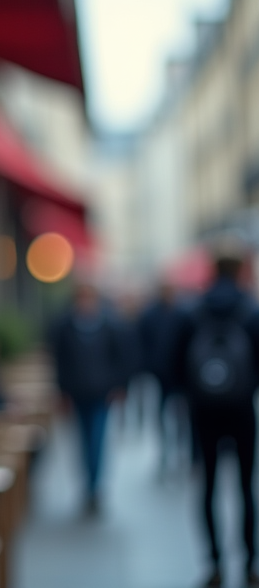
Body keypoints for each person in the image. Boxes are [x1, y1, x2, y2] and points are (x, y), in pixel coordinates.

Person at [173, 252, 259, 588]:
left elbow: (176, 361)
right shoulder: (251, 310)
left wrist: (192, 393)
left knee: (207, 487)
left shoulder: (193, 310)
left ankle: (214, 563)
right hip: (241, 409)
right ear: (238, 271)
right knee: (244, 488)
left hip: (203, 411)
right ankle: (250, 563)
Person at [48, 281, 130, 516]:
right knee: (82, 442)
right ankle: (88, 484)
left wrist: (120, 386)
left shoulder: (109, 325)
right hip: (77, 393)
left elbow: (120, 358)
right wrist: (61, 391)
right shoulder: (64, 327)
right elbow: (59, 363)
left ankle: (95, 487)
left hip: (101, 393)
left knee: (97, 440)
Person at [137, 281, 188, 475]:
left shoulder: (181, 314)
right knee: (162, 414)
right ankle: (166, 452)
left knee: (179, 415)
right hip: (160, 373)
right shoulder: (151, 315)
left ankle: (178, 450)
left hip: (177, 375)